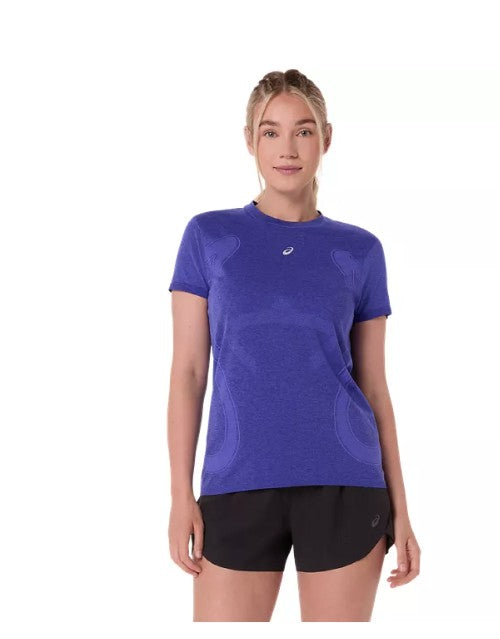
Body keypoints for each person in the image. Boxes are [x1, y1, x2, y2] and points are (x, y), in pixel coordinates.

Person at [167, 69, 420, 622]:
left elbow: (375, 386)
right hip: (235, 484)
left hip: (346, 485)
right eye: (271, 132)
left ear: (326, 138)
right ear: (250, 140)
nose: (287, 148)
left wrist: (402, 508)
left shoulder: (360, 250)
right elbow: (188, 373)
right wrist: (180, 494)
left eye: (303, 131)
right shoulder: (209, 236)